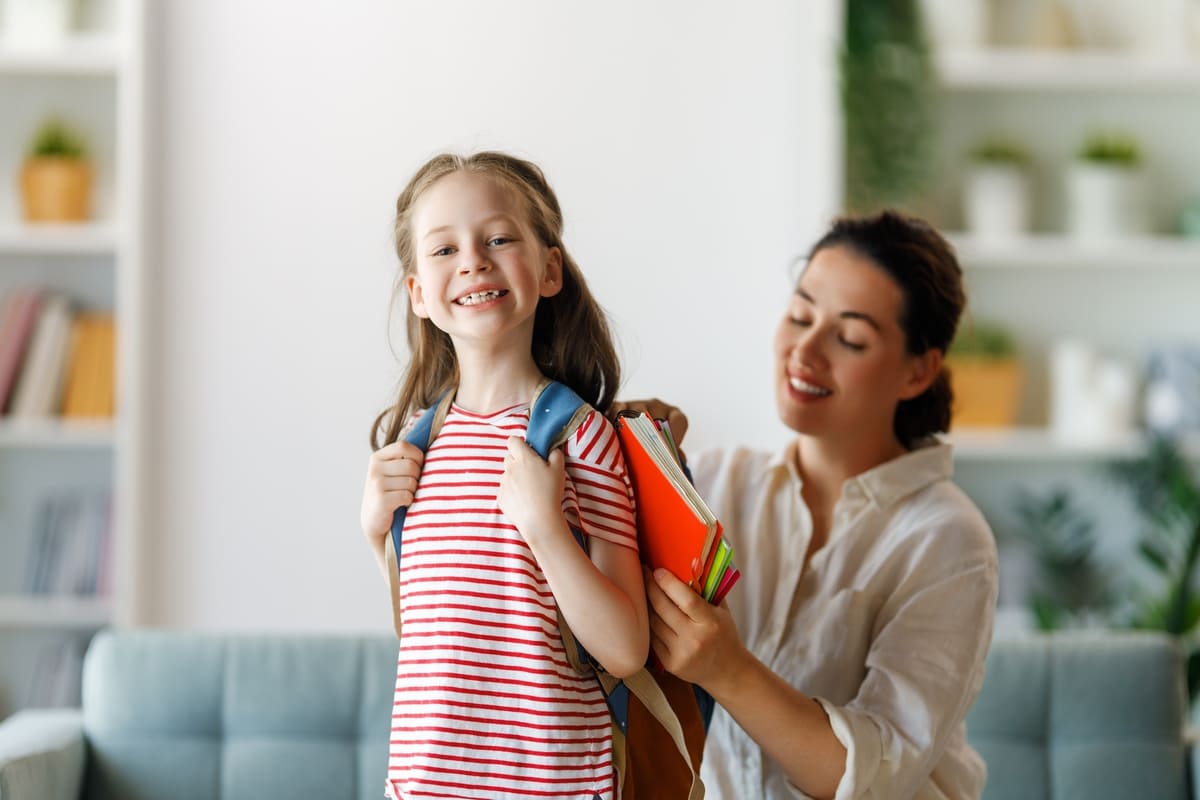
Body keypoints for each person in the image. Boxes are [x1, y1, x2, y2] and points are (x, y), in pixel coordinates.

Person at [616, 210, 998, 800]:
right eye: (800, 315)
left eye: (849, 338)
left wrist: (727, 669)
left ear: (918, 371)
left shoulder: (947, 539)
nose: (806, 351)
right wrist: (616, 454)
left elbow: (877, 779)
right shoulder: (714, 483)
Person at [359, 151, 648, 800]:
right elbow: (433, 634)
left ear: (549, 270)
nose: (472, 261)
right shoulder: (415, 445)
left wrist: (545, 528)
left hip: (556, 787)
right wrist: (377, 536)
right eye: (444, 250)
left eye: (498, 238)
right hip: (424, 786)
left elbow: (626, 650)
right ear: (418, 295)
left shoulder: (580, 437)